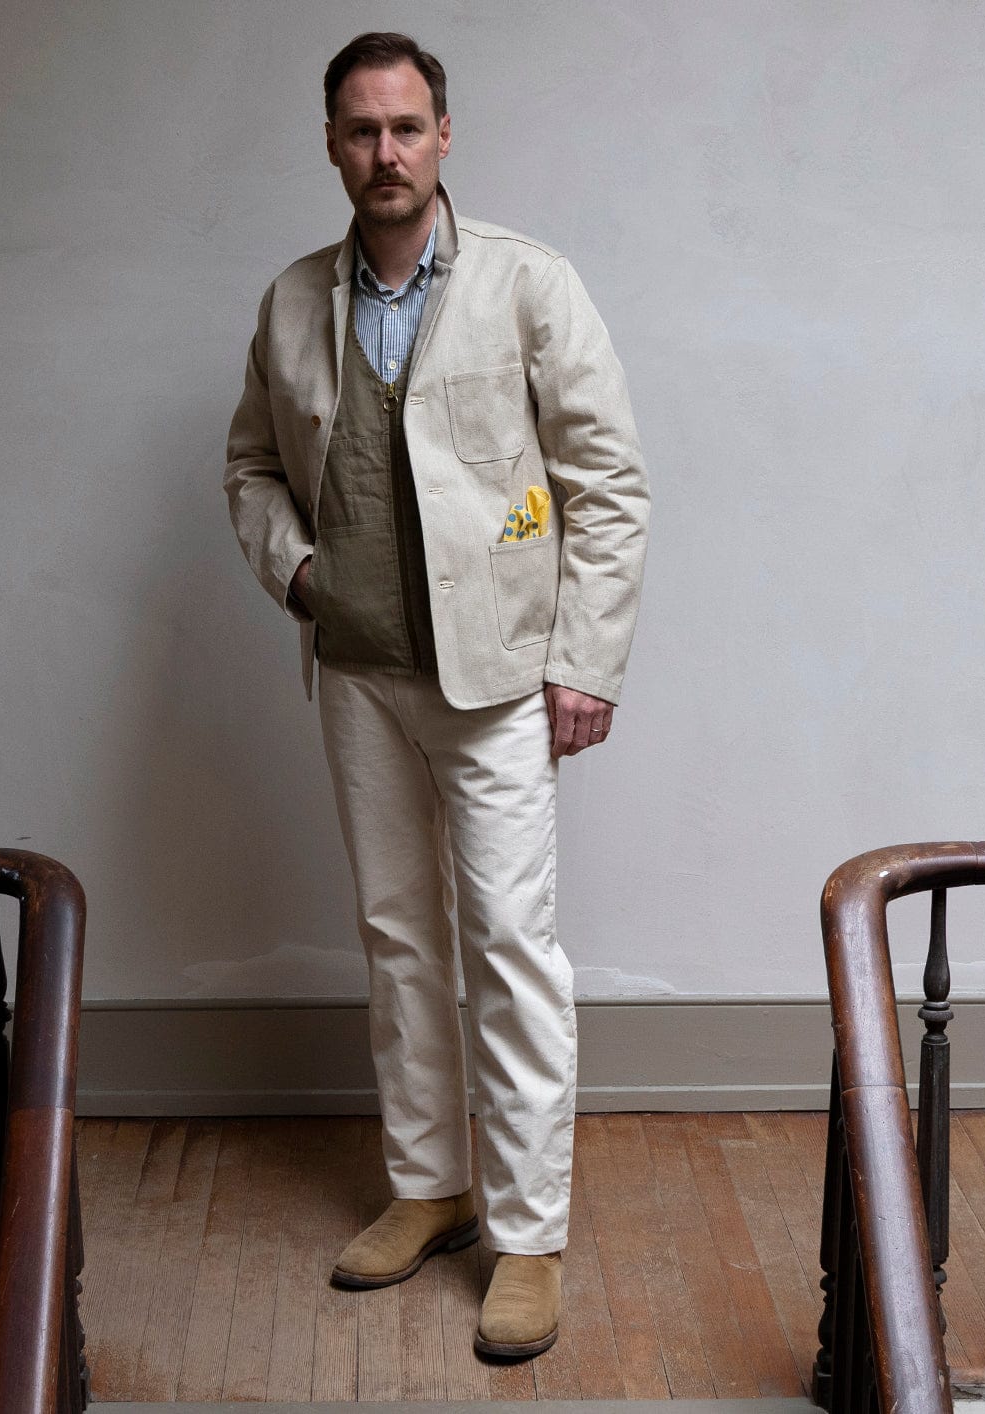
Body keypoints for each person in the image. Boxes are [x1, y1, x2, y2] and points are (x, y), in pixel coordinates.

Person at [224, 31, 649, 1359]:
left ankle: (528, 1234)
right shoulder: (294, 300)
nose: (386, 153)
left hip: (499, 676)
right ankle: (431, 1184)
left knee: (511, 946)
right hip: (356, 669)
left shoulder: (529, 282)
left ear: (445, 135)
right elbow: (249, 466)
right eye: (362, 131)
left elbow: (608, 480)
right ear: (333, 146)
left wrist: (584, 659)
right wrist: (297, 573)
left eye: (407, 127)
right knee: (398, 934)